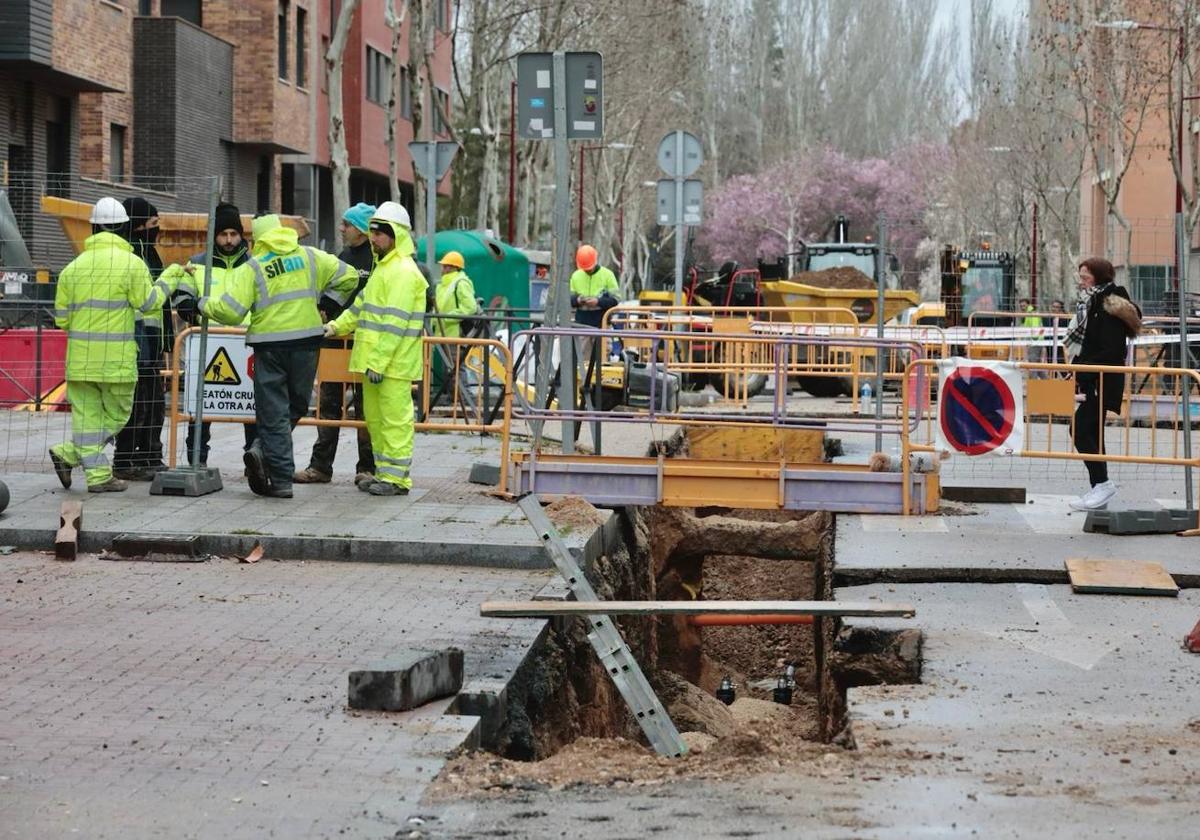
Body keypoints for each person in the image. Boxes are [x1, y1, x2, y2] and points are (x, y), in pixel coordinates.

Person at [190, 214, 357, 498]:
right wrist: (326, 303)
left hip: (269, 346)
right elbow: (350, 277)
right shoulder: (312, 256)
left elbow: (231, 311)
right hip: (306, 343)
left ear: (258, 240)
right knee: (295, 406)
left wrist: (204, 303)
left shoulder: (253, 267)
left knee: (273, 411)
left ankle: (278, 478)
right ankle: (262, 452)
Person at [48, 197, 179, 493]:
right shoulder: (131, 263)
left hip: (80, 362)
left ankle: (96, 476)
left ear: (93, 228)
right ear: (123, 228)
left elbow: (62, 320)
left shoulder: (73, 268)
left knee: (86, 418)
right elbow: (148, 304)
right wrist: (169, 277)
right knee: (119, 416)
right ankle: (68, 453)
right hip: (116, 361)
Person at [325, 201, 427, 496]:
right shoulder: (384, 269)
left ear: (395, 235)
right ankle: (384, 474)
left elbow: (394, 326)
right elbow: (361, 307)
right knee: (376, 422)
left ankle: (397, 480)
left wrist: (379, 362)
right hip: (376, 363)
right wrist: (335, 326)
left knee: (394, 422)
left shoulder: (403, 273)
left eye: (380, 233)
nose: (373, 237)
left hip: (391, 366)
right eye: (371, 231)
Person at [294, 202, 377, 485]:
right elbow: (330, 296)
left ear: (363, 230)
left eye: (347, 224)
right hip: (335, 341)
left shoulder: (378, 260)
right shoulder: (343, 256)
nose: (341, 229)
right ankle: (320, 466)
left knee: (366, 410)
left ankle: (368, 467)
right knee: (328, 406)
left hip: (365, 344)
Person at [175, 202, 257, 466]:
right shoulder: (197, 264)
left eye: (234, 234)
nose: (230, 240)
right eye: (224, 234)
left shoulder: (254, 265)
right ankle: (196, 462)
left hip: (247, 345)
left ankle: (252, 463)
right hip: (206, 344)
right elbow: (183, 295)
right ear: (214, 235)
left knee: (251, 408)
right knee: (199, 409)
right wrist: (189, 308)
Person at [1067, 258, 1142, 511]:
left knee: (1079, 429)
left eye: (1086, 276)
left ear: (1098, 276)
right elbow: (1089, 342)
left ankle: (1103, 484)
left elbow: (1111, 350)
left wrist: (1083, 368)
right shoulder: (1093, 302)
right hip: (1093, 378)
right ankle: (1098, 488)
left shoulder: (1109, 304)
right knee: (1092, 432)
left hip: (1102, 377)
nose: (1082, 280)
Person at [111, 197, 173, 480]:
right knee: (136, 404)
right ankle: (126, 459)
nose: (156, 229)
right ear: (137, 225)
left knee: (154, 403)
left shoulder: (151, 253)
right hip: (136, 341)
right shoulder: (131, 257)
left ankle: (149, 455)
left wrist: (168, 346)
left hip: (153, 340)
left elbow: (164, 307)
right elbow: (150, 300)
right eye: (152, 223)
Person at [569, 244, 619, 328]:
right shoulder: (575, 276)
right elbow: (568, 299)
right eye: (585, 269)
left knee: (602, 341)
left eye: (589, 268)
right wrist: (578, 300)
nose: (587, 270)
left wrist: (598, 302)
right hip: (581, 323)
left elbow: (615, 300)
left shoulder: (608, 275)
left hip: (602, 323)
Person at [430, 251, 477, 338]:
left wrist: (445, 318)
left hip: (454, 337)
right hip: (439, 335)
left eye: (444, 266)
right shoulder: (442, 285)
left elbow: (470, 307)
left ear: (452, 268)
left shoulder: (461, 283)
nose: (441, 269)